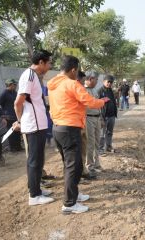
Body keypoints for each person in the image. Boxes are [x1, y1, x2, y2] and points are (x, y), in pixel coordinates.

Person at [48, 55, 109, 214]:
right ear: (73, 69)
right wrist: (103, 101)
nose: (78, 75)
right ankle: (69, 204)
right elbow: (89, 101)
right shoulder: (71, 84)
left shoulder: (54, 84)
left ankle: (74, 194)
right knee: (73, 167)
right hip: (70, 129)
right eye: (77, 71)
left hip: (58, 128)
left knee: (71, 165)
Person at [13, 49, 54, 206]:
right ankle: (34, 196)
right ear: (41, 62)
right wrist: (20, 121)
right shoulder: (29, 76)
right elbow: (18, 103)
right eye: (49, 62)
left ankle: (36, 188)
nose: (50, 66)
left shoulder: (35, 77)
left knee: (39, 160)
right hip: (33, 125)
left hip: (39, 125)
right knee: (34, 161)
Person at [84, 71, 104, 174]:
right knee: (90, 143)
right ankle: (90, 166)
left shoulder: (95, 90)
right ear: (91, 79)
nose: (97, 81)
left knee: (97, 142)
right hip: (89, 118)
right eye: (96, 79)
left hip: (97, 118)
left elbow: (97, 105)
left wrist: (101, 118)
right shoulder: (83, 90)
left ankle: (97, 164)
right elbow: (90, 105)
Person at [0, 79, 22, 152]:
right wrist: (3, 117)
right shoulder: (4, 93)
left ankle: (18, 147)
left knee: (18, 131)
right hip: (8, 117)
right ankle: (12, 148)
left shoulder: (14, 92)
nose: (16, 86)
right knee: (11, 132)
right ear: (10, 85)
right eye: (14, 84)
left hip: (15, 115)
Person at [98, 75, 117, 154]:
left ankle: (108, 146)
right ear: (104, 81)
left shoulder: (110, 90)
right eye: (108, 82)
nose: (109, 83)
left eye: (111, 82)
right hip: (103, 116)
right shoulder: (100, 91)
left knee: (109, 132)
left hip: (112, 115)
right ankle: (100, 149)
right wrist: (102, 100)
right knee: (101, 134)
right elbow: (96, 103)